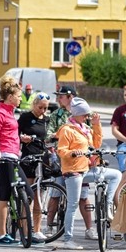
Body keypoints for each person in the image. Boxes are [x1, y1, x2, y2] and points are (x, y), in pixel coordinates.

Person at [57, 97, 122, 250]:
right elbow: (61, 150)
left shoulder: (84, 128)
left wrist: (96, 125)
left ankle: (107, 206)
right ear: (76, 114)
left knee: (115, 175)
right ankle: (68, 239)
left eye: (87, 115)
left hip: (87, 168)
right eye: (84, 115)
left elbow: (97, 144)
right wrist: (73, 153)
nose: (86, 117)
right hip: (74, 171)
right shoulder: (67, 129)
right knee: (73, 205)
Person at [46, 85, 95, 238]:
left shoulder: (84, 113)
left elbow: (90, 136)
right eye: (58, 96)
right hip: (60, 157)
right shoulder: (56, 115)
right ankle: (49, 226)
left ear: (70, 97)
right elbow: (48, 136)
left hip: (80, 160)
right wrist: (58, 135)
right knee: (55, 191)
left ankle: (89, 229)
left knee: (83, 195)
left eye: (61, 96)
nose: (58, 98)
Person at [0, 75, 29, 245]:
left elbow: (9, 133)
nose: (21, 98)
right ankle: (1, 235)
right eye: (19, 96)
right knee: (5, 195)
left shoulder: (10, 112)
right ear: (10, 97)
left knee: (27, 193)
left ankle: (21, 227)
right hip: (4, 157)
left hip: (14, 156)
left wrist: (22, 138)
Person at [17, 92, 52, 243]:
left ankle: (37, 230)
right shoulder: (25, 117)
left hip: (41, 158)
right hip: (28, 157)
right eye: (40, 108)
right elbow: (15, 134)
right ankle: (25, 231)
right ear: (34, 105)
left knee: (39, 195)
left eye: (45, 108)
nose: (43, 111)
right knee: (29, 195)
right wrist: (22, 138)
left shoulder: (46, 120)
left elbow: (47, 138)